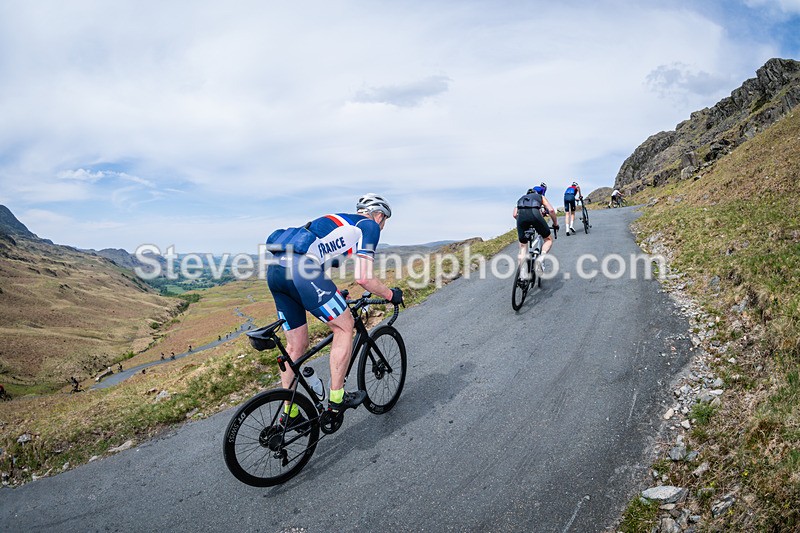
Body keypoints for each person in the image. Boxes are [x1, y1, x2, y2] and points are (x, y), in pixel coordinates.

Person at [266, 193, 403, 430]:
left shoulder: (340, 224)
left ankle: (290, 412)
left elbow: (318, 260)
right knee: (344, 326)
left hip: (276, 273)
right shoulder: (368, 226)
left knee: (295, 347)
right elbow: (363, 278)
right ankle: (337, 400)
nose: (382, 226)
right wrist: (391, 295)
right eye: (385, 221)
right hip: (301, 272)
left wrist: (333, 294)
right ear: (379, 214)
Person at [513, 187, 559, 270]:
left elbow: (515, 214)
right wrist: (555, 224)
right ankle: (540, 259)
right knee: (548, 240)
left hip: (521, 217)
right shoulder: (540, 197)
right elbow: (551, 210)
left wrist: (524, 223)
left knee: (523, 245)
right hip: (534, 214)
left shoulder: (521, 198)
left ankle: (522, 273)